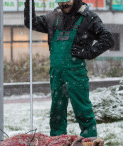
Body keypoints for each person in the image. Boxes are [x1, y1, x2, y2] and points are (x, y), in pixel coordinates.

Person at [24, 0, 114, 139]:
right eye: (60, 1)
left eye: (67, 1)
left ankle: (89, 139)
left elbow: (108, 38)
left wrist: (88, 52)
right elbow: (31, 22)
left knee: (82, 108)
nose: (63, 4)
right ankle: (57, 139)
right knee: (57, 110)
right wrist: (29, 3)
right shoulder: (54, 17)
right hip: (56, 73)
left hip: (76, 73)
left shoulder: (88, 18)